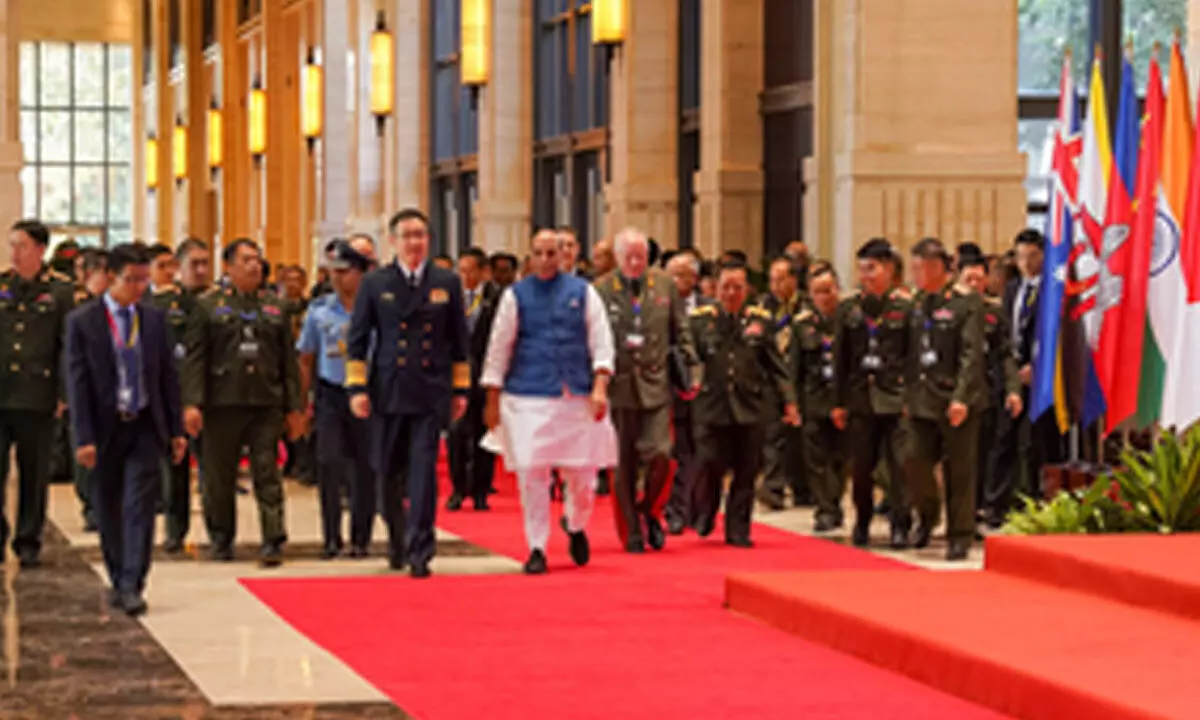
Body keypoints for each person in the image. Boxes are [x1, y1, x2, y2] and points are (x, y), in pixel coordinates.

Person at [480, 229, 617, 574]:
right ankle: (536, 546)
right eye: (539, 253)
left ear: (563, 255)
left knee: (584, 479)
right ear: (530, 256)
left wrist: (600, 385)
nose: (545, 260)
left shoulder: (584, 293)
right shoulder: (515, 296)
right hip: (527, 395)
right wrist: (492, 397)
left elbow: (601, 341)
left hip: (576, 395)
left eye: (552, 253)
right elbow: (499, 347)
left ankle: (575, 522)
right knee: (532, 476)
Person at [346, 208, 470, 578]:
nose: (414, 243)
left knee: (423, 471)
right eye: (407, 236)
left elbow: (458, 340)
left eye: (420, 235)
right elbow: (358, 341)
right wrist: (357, 388)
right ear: (393, 241)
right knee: (387, 471)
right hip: (387, 390)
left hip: (430, 390)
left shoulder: (446, 282)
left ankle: (421, 549)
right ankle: (397, 539)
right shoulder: (375, 283)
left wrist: (460, 389)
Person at [65, 243, 186, 616]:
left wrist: (176, 429)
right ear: (111, 277)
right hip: (105, 428)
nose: (139, 287)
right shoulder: (83, 322)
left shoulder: (153, 320)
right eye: (131, 280)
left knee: (140, 506)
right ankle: (118, 576)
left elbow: (168, 377)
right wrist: (82, 436)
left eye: (144, 280)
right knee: (109, 506)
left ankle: (134, 582)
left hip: (145, 425)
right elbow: (77, 382)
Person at [182, 238, 306, 566]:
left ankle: (273, 539)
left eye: (257, 259)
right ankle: (222, 538)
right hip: (222, 403)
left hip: (265, 402)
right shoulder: (208, 306)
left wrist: (295, 408)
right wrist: (192, 403)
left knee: (267, 473)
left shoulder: (274, 306)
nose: (254, 265)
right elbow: (195, 359)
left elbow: (288, 363)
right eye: (247, 260)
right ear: (229, 266)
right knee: (219, 478)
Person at [594, 228, 697, 552]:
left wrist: (693, 370)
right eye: (630, 257)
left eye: (642, 256)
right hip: (620, 386)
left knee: (661, 454)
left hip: (655, 383)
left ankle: (650, 509)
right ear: (619, 258)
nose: (637, 263)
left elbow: (680, 331)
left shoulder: (664, 285)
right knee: (622, 463)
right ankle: (632, 532)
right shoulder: (601, 290)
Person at [689, 261, 798, 547]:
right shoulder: (701, 321)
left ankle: (738, 528)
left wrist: (789, 401)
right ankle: (706, 509)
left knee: (746, 470)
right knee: (710, 462)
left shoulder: (760, 321)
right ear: (716, 288)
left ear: (747, 289)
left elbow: (776, 366)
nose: (731, 293)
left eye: (738, 287)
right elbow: (689, 360)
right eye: (726, 287)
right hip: (712, 406)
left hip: (749, 406)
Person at [904, 238, 986, 560]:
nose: (914, 274)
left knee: (960, 469)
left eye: (918, 267)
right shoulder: (915, 302)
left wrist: (962, 397)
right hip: (921, 398)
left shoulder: (966, 303)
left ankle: (960, 534)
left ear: (935, 267)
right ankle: (926, 515)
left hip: (955, 399)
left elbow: (971, 354)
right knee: (914, 460)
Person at [0, 220, 75, 567]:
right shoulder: (1, 285)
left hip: (38, 395)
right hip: (2, 393)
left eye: (22, 246)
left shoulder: (61, 292)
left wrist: (63, 392)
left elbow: (67, 348)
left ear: (41, 250)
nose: (15, 253)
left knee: (34, 474)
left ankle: (28, 539)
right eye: (12, 245)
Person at [832, 238, 913, 548]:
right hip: (860, 400)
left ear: (888, 269)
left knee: (900, 466)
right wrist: (838, 402)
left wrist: (909, 398)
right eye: (862, 269)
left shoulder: (905, 307)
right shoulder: (849, 308)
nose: (866, 276)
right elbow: (841, 358)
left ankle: (900, 523)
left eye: (872, 269)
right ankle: (862, 521)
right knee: (861, 467)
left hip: (895, 398)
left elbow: (913, 357)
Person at [297, 240, 376, 559]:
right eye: (334, 272)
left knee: (365, 468)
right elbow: (305, 358)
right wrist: (302, 404)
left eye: (345, 271)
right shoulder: (319, 312)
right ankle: (331, 536)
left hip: (368, 393)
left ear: (360, 273)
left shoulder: (375, 309)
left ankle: (361, 537)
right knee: (329, 464)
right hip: (331, 393)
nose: (338, 278)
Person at [984, 229, 1062, 525]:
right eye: (1020, 256)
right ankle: (996, 504)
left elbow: (1054, 335)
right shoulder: (1013, 288)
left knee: (1034, 442)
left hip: (1040, 379)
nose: (1026, 263)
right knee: (1003, 439)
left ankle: (1033, 500)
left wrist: (1038, 366)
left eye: (1032, 256)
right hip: (1010, 376)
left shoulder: (1052, 291)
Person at [957, 250, 1022, 523]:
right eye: (968, 279)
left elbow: (1006, 354)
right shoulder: (947, 310)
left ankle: (977, 510)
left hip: (986, 392)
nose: (974, 285)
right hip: (953, 393)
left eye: (978, 279)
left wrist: (1013, 389)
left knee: (985, 453)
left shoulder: (994, 312)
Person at [144, 243, 198, 553]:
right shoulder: (143, 300)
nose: (168, 270)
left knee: (176, 463)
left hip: (176, 387)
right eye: (161, 265)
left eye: (171, 264)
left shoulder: (187, 302)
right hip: (146, 391)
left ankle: (176, 529)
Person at [792, 260, 846, 532]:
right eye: (819, 292)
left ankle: (835, 502)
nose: (825, 297)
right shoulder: (802, 325)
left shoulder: (849, 320)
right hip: (813, 399)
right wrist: (792, 403)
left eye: (829, 290)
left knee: (839, 457)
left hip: (841, 401)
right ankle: (825, 507)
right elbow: (794, 368)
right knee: (816, 459)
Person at [757, 256, 808, 510]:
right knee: (773, 436)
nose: (775, 286)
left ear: (793, 280)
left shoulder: (805, 308)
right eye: (772, 280)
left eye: (780, 280)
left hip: (803, 377)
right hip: (771, 379)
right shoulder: (762, 308)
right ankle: (773, 486)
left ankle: (803, 488)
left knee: (800, 439)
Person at [447, 247, 496, 512]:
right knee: (456, 435)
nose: (465, 277)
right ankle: (457, 489)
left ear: (483, 272)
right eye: (461, 271)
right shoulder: (451, 298)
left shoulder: (496, 299)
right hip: (457, 377)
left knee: (483, 436)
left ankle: (480, 490)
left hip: (485, 377)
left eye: (470, 271)